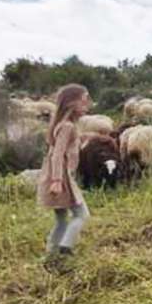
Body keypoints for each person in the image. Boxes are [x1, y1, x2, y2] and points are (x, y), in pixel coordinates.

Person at [37, 84, 92, 274]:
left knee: (61, 220)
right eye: (84, 99)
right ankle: (65, 248)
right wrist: (57, 180)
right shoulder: (67, 126)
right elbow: (57, 155)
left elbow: (61, 149)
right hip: (61, 179)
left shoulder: (64, 126)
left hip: (55, 176)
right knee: (81, 215)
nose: (87, 104)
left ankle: (50, 256)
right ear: (71, 103)